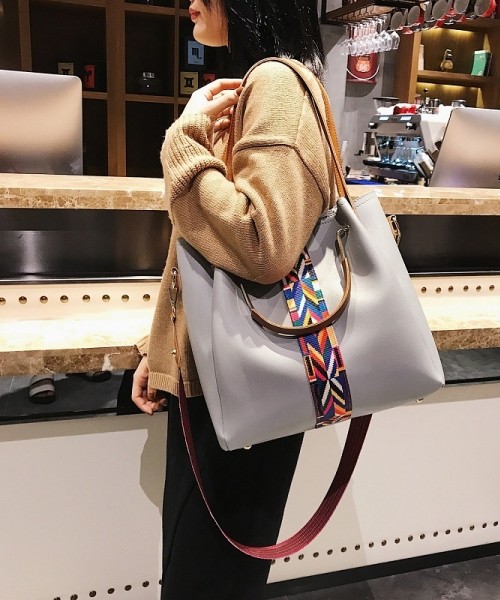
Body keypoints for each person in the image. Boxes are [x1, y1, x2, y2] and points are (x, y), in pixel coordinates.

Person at [131, 1, 337, 598]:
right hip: (231, 375)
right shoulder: (260, 84)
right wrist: (161, 350)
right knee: (204, 576)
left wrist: (181, 144)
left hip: (244, 382)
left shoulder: (277, 83)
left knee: (206, 583)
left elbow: (259, 244)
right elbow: (204, 248)